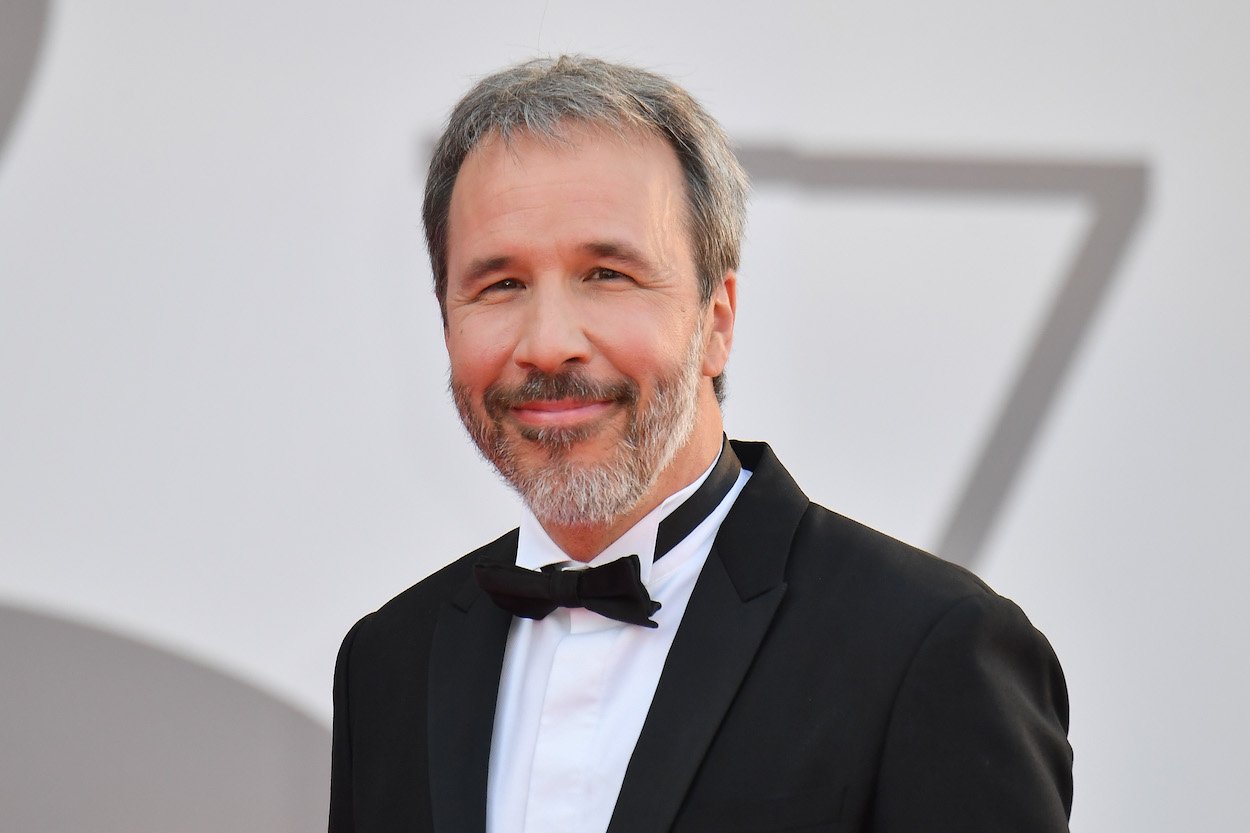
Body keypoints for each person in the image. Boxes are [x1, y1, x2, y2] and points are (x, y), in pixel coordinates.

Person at [328, 55, 1073, 833]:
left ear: (715, 319)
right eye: (500, 284)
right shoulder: (389, 663)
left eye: (607, 274)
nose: (548, 345)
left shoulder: (927, 649)